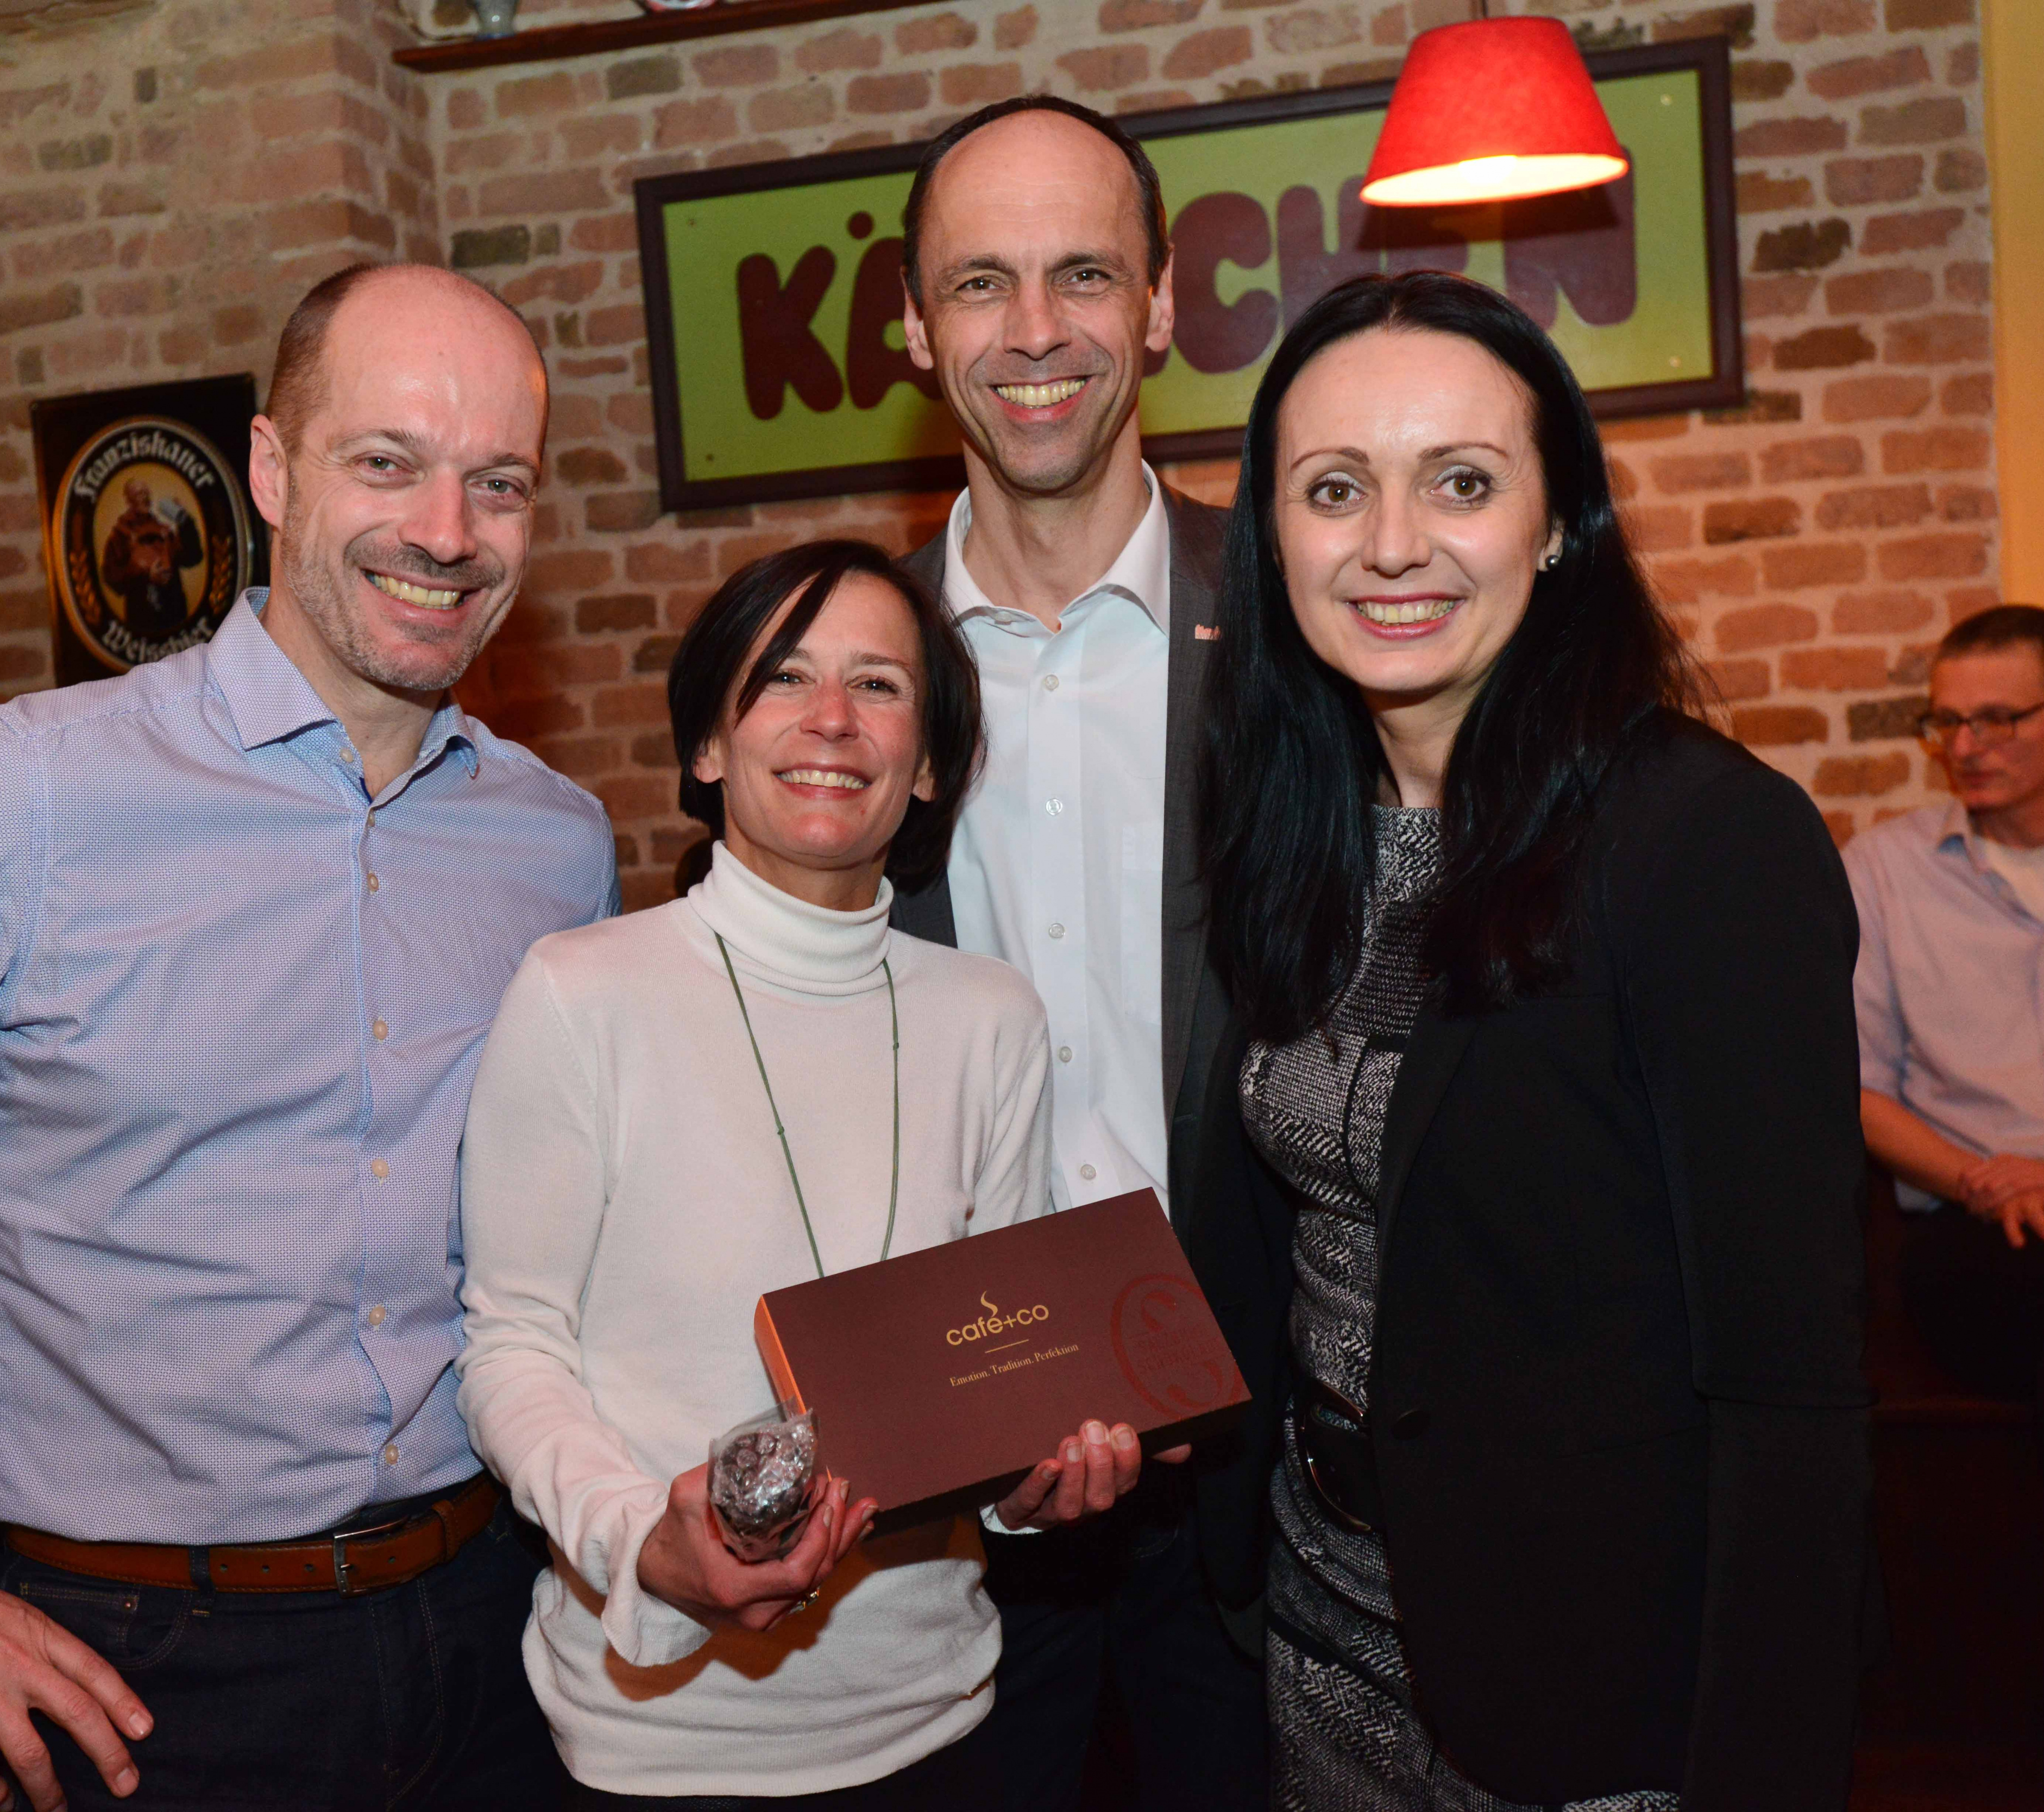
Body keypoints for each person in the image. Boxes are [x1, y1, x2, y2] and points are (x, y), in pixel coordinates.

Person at [0, 261, 615, 1812]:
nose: (446, 531)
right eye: (387, 463)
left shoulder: (553, 844)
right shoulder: (22, 795)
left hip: (501, 1630)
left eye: (499, 483)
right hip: (147, 1678)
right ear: (272, 471)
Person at [1181, 269, 1869, 1808]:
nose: (1392, 544)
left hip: (1583, 1674)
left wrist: (1760, 1764)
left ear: (1559, 523)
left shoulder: (1702, 841)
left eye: (1462, 483)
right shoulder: (1292, 830)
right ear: (1274, 536)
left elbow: (1788, 1382)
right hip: (1319, 1622)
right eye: (1334, 489)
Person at [457, 539, 1161, 1807]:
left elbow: (999, 1375)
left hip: (945, 1719)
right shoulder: (580, 993)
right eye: (783, 675)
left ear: (929, 764)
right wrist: (646, 1547)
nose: (832, 717)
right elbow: (512, 1347)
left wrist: (1037, 1481)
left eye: (879, 685)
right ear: (707, 744)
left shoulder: (992, 1016)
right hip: (661, 1745)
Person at [891, 95, 1259, 1811]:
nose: (1033, 331)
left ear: (1161, 303)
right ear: (916, 328)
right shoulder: (842, 681)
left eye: (1082, 275)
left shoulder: (1304, 622)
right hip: (948, 1513)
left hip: (1269, 1498)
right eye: (980, 282)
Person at [1847, 603, 2044, 1795]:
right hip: (1972, 1234)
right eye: (1946, 722)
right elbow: (1849, 1087)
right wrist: (1983, 1179)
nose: (1965, 747)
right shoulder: (1883, 871)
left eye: (1998, 718)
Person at [100, 476, 204, 641]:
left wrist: (186, 524)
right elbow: (112, 578)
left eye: (147, 493)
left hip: (175, 616)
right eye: (139, 494)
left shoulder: (164, 531)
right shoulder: (119, 536)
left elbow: (192, 558)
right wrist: (146, 576)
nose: (145, 497)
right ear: (129, 500)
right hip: (142, 619)